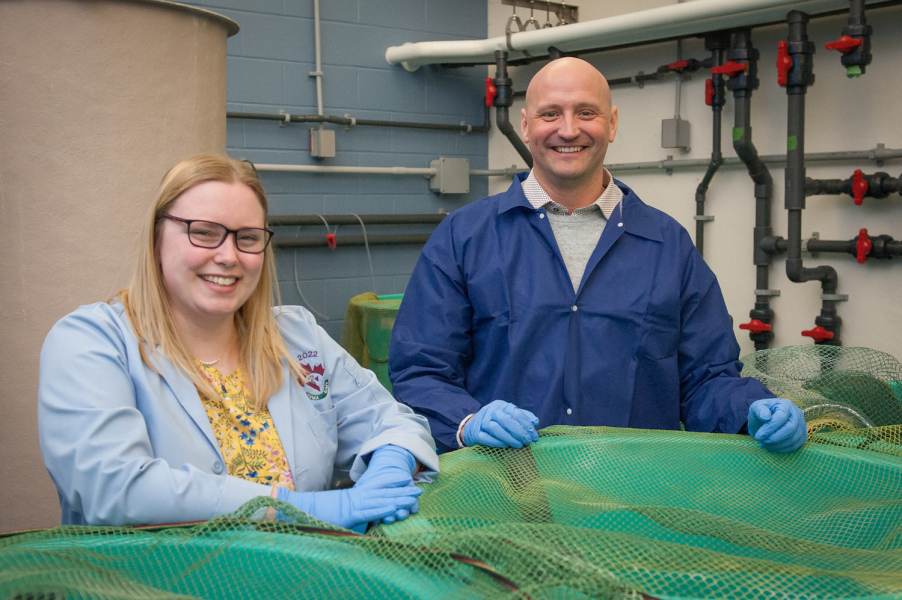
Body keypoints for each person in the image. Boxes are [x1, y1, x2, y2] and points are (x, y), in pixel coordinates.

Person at [389, 57, 806, 455]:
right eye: (550, 113)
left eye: (586, 112)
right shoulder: (465, 237)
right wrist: (465, 421)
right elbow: (422, 370)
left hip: (634, 498)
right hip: (503, 491)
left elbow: (705, 377)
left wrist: (750, 409)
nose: (568, 130)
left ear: (612, 124)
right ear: (525, 125)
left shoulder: (667, 245)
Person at [38, 154, 439, 529]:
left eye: (247, 238)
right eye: (204, 233)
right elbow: (114, 487)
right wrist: (306, 508)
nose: (228, 256)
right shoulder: (91, 343)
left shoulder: (296, 337)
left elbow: (391, 421)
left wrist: (391, 463)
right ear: (157, 237)